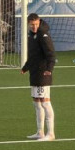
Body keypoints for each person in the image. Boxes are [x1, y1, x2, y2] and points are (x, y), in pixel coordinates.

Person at [22, 12, 56, 140]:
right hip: (35, 73)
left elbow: (51, 54)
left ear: (39, 21)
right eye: (32, 25)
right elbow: (33, 56)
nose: (34, 27)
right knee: (36, 103)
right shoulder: (31, 35)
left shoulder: (43, 34)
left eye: (36, 24)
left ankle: (51, 133)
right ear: (28, 24)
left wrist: (49, 69)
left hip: (43, 73)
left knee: (45, 103)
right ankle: (40, 132)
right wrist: (26, 68)